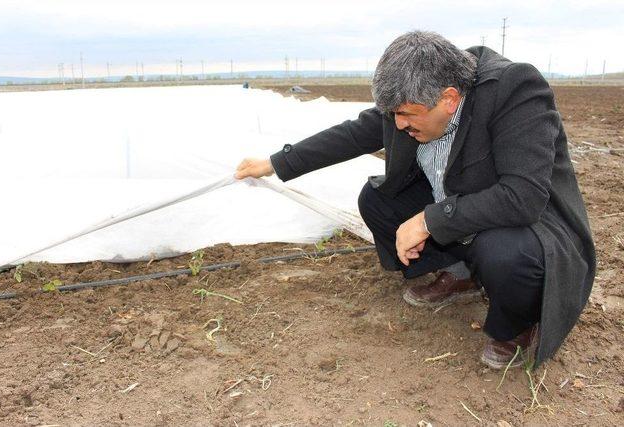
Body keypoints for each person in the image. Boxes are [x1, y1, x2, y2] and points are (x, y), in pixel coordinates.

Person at [234, 31, 595, 369]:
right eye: (394, 115)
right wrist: (275, 164)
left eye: (406, 115)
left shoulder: (515, 91)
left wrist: (427, 221)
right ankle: (461, 275)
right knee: (378, 199)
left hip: (529, 228)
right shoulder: (419, 94)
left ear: (450, 100)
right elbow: (352, 134)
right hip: (463, 207)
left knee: (502, 253)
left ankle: (518, 322)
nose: (399, 124)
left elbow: (523, 198)